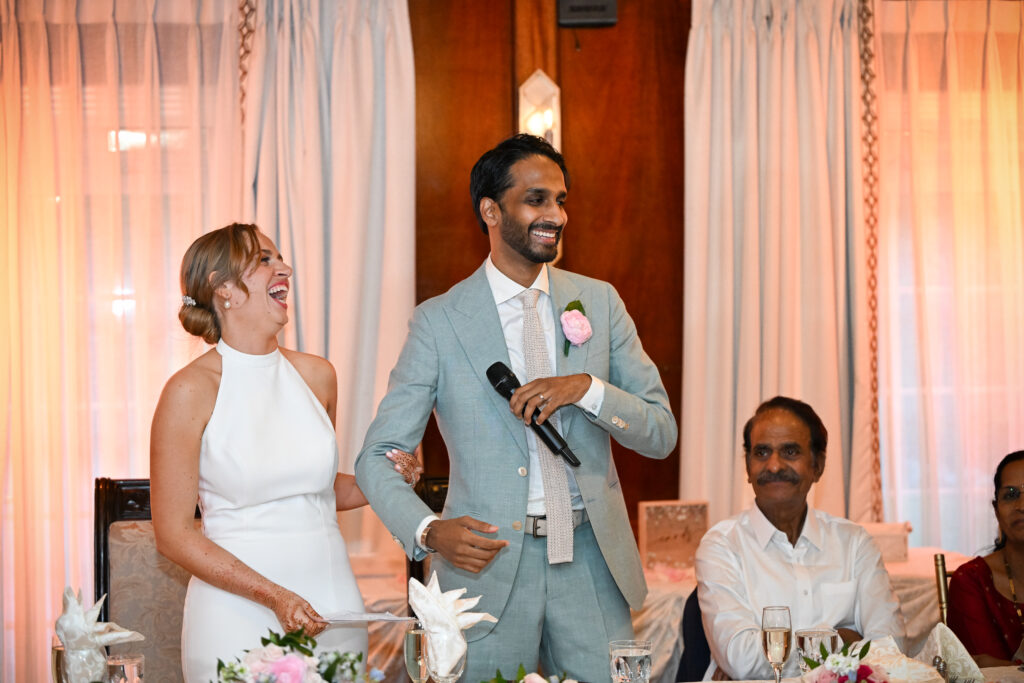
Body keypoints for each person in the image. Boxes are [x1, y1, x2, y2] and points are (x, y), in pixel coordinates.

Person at [354, 134, 678, 683]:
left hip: (594, 564)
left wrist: (586, 388)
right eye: (536, 200)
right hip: (485, 567)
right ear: (490, 209)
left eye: (560, 199)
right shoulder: (440, 320)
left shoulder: (599, 301)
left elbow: (660, 433)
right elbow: (377, 456)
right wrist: (430, 530)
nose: (556, 214)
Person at [150, 223, 419, 682]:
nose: (285, 268)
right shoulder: (189, 390)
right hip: (234, 609)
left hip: (331, 600)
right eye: (265, 260)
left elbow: (316, 490)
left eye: (280, 258)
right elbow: (173, 535)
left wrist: (390, 478)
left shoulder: (318, 376)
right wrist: (273, 595)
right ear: (225, 289)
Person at [695, 396, 906, 680]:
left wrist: (777, 656)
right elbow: (741, 659)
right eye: (761, 453)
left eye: (790, 451)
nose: (773, 465)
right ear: (747, 466)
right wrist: (841, 637)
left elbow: (890, 650)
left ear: (817, 465)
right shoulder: (722, 545)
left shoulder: (854, 543)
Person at [948, 450, 1024, 667]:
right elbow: (984, 673)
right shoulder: (972, 581)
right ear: (996, 510)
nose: (1021, 506)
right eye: (1010, 494)